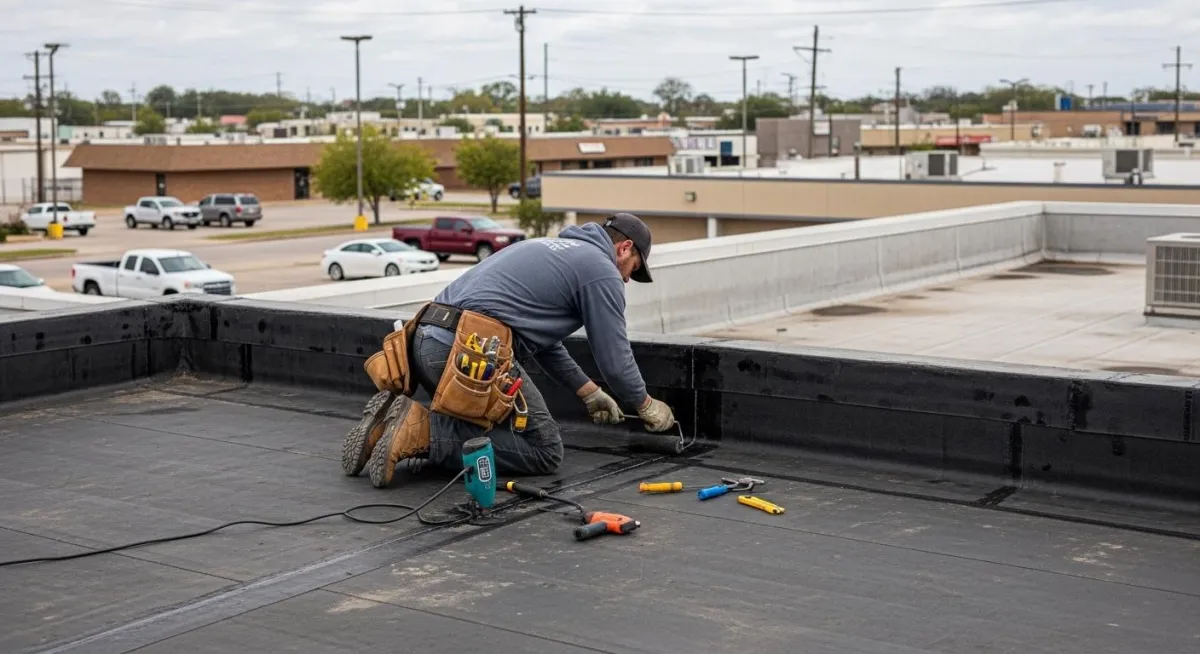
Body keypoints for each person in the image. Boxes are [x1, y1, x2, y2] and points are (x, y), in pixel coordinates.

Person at [342, 212, 678, 488]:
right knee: (543, 449)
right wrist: (645, 405)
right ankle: (423, 431)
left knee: (493, 429)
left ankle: (387, 425)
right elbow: (615, 360)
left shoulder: (550, 248)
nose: (627, 280)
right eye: (634, 268)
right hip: (467, 352)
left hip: (424, 344)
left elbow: (543, 345)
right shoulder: (601, 271)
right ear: (625, 248)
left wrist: (588, 392)